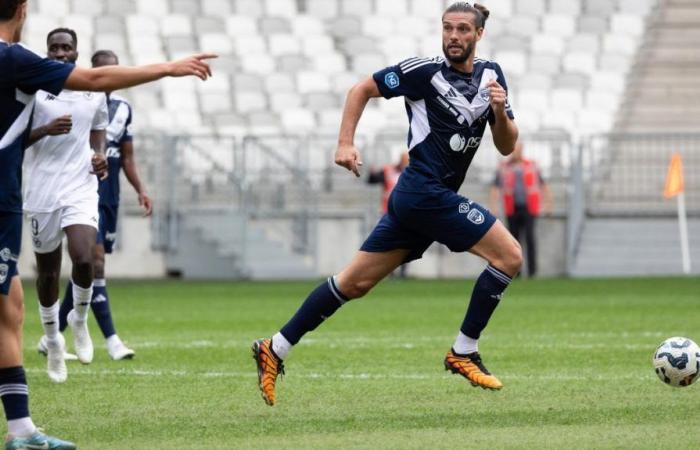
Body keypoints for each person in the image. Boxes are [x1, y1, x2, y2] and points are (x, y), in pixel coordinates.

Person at [253, 1, 521, 407]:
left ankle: (275, 347)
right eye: (448, 28)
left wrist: (500, 110)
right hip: (424, 192)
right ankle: (463, 350)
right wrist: (344, 142)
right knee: (509, 256)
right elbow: (361, 89)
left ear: (479, 35)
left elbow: (506, 145)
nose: (454, 36)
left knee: (354, 283)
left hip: (419, 201)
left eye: (463, 29)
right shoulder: (423, 72)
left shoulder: (491, 76)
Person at [0, 0, 214, 447]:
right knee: (13, 305)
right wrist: (169, 68)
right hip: (13, 196)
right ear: (21, 10)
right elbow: (97, 78)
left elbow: (94, 97)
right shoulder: (14, 59)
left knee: (12, 307)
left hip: (48, 192)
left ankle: (22, 426)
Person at [52, 50, 150, 362]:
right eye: (105, 70)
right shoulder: (77, 100)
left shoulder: (123, 109)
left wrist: (141, 189)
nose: (111, 75)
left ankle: (51, 335)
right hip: (82, 191)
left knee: (86, 268)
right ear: (93, 71)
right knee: (94, 263)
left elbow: (128, 156)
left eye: (115, 69)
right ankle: (112, 340)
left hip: (110, 195)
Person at [25, 28, 110, 384]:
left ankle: (78, 319)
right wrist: (45, 129)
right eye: (55, 48)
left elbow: (99, 129)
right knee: (47, 273)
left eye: (67, 48)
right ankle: (52, 340)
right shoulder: (35, 91)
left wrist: (100, 154)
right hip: (42, 190)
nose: (61, 53)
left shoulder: (93, 92)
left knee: (85, 257)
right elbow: (15, 137)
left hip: (80, 185)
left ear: (76, 53)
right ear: (47, 52)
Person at [489, 141, 553, 277]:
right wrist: (493, 206)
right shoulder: (503, 167)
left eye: (517, 149)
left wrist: (548, 204)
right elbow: (495, 188)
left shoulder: (532, 166)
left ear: (522, 150)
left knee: (530, 239)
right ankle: (516, 272)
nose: (515, 152)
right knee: (513, 241)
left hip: (529, 208)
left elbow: (543, 185)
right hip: (511, 208)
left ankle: (532, 272)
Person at [367, 151, 410, 278]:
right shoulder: (388, 171)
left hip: (406, 213)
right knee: (388, 243)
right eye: (405, 159)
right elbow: (372, 180)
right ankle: (389, 271)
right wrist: (371, 173)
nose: (406, 162)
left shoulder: (412, 173)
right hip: (388, 212)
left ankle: (402, 272)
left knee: (405, 244)